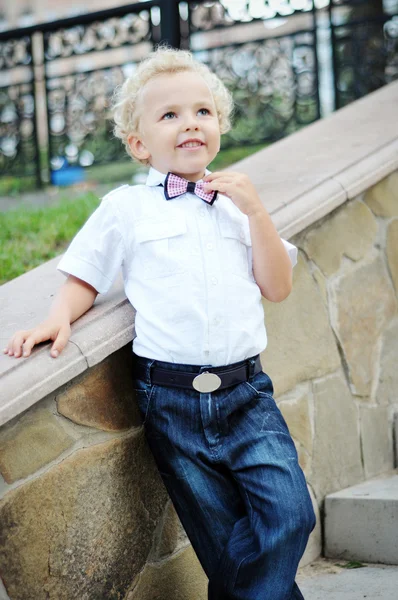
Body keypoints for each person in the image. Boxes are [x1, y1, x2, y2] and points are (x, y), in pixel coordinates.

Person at [4, 46, 316, 599]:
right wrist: (57, 317)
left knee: (290, 514)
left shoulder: (235, 207)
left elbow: (278, 285)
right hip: (170, 401)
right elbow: (84, 275)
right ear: (139, 143)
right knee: (220, 538)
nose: (189, 123)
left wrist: (258, 213)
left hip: (247, 393)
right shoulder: (126, 209)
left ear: (219, 125)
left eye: (202, 111)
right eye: (169, 115)